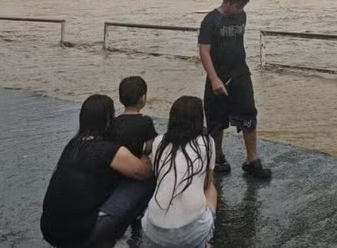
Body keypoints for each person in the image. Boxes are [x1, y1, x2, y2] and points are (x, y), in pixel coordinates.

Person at [41, 94, 153, 248]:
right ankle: (128, 228)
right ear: (108, 120)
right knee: (145, 182)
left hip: (50, 231)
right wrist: (147, 152)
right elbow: (144, 171)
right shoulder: (108, 150)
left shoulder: (73, 145)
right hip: (80, 237)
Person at [198, 0, 272, 179]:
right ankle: (217, 156)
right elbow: (204, 51)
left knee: (249, 114)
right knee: (216, 120)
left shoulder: (242, 16)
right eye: (237, 6)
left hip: (240, 74)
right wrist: (214, 79)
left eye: (243, 7)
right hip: (218, 76)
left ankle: (252, 159)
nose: (240, 10)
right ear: (226, 1)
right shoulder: (210, 21)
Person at [143, 96, 217, 248]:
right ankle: (204, 242)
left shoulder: (159, 142)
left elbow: (158, 176)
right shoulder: (208, 143)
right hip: (191, 232)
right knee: (212, 189)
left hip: (153, 231)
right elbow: (206, 183)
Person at [108, 76, 159, 231]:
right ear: (143, 99)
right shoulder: (145, 122)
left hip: (117, 171)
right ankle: (139, 214)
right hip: (138, 172)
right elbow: (151, 145)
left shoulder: (114, 122)